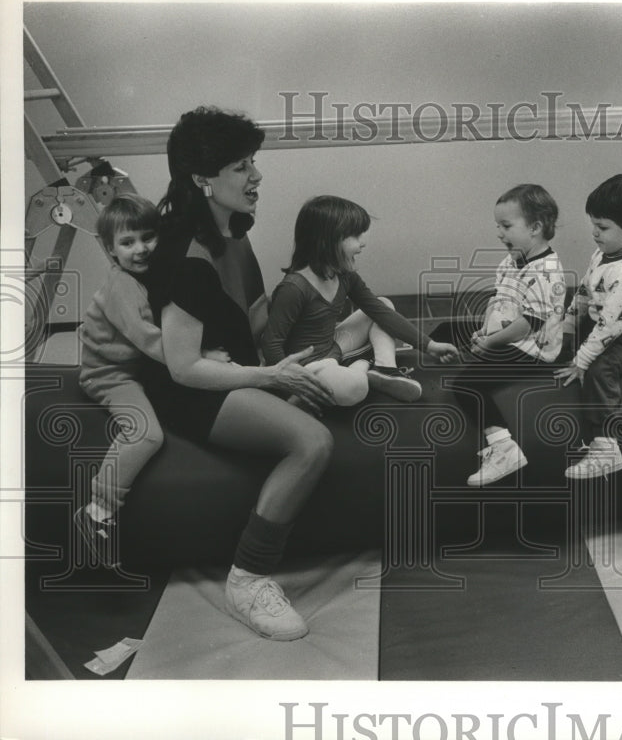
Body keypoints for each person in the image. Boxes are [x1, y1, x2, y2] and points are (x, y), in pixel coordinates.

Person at [143, 106, 341, 641]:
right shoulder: (184, 254)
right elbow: (184, 369)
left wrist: (317, 332)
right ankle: (248, 580)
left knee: (334, 381)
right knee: (312, 443)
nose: (256, 176)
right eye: (240, 167)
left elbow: (254, 315)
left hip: (241, 367)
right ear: (201, 179)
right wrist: (273, 379)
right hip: (192, 390)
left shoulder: (234, 231)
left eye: (253, 162)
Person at [260, 195, 459, 405]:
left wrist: (429, 345)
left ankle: (385, 369)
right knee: (355, 387)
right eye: (355, 235)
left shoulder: (344, 275)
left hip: (333, 347)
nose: (362, 243)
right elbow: (271, 344)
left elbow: (380, 313)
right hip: (310, 366)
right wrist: (293, 384)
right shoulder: (294, 287)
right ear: (328, 241)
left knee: (383, 304)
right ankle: (362, 364)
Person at [447, 184, 566, 486]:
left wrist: (490, 343)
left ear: (536, 227)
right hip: (509, 337)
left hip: (533, 350)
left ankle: (503, 447)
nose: (499, 233)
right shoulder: (511, 261)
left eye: (506, 226)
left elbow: (529, 324)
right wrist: (484, 332)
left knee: (467, 385)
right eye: (497, 226)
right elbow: (497, 301)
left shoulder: (546, 270)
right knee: (448, 331)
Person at [74, 194, 169, 568]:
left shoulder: (149, 276)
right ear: (110, 250)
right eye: (128, 243)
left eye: (148, 237)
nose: (141, 249)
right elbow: (147, 337)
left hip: (139, 367)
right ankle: (97, 510)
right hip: (110, 375)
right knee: (147, 433)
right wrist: (198, 359)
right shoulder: (121, 286)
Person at [556, 174, 622, 478]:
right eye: (594, 224)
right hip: (603, 320)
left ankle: (606, 448)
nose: (594, 233)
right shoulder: (604, 254)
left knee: (600, 371)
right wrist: (566, 325)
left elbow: (608, 328)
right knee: (557, 342)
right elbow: (586, 292)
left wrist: (580, 362)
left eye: (602, 228)